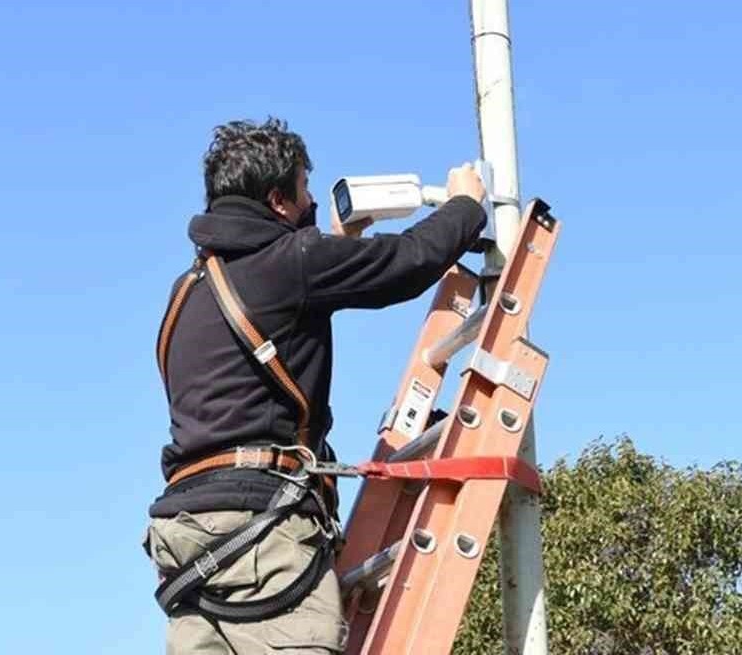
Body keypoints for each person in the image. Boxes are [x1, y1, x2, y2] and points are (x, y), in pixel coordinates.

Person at [144, 117, 487, 654]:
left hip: (186, 532)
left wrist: (335, 244)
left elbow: (277, 311)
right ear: (279, 200)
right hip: (264, 530)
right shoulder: (293, 264)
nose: (310, 204)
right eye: (304, 190)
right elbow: (408, 262)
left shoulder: (186, 291)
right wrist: (466, 206)